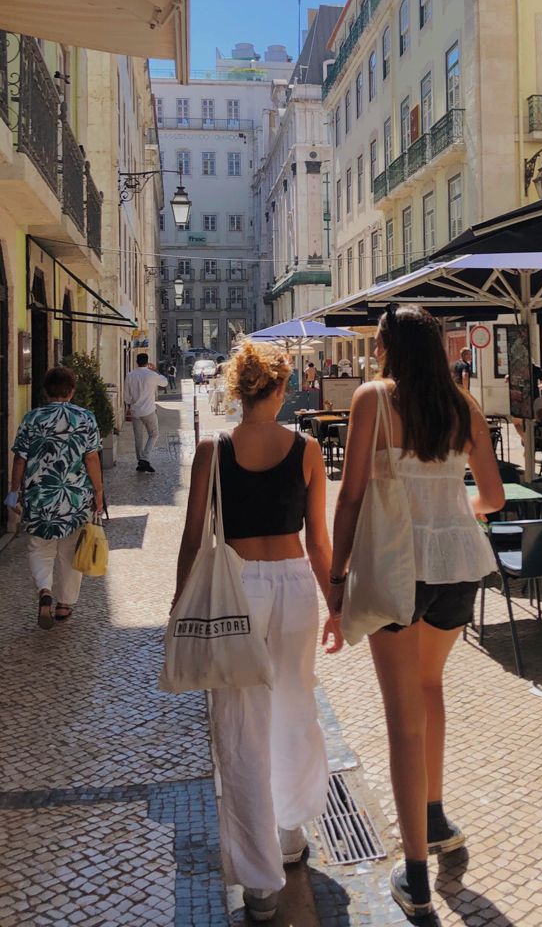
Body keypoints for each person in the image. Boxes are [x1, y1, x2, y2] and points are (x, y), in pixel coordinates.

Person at [328, 305, 504, 918]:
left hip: (399, 569)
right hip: (458, 564)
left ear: (387, 349)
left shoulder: (373, 400)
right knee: (431, 688)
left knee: (402, 716)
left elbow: (350, 496)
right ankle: (433, 816)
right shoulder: (464, 407)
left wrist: (336, 575)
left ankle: (415, 873)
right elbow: (493, 496)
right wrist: (454, 513)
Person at [171, 341, 342, 922]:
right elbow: (319, 542)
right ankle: (290, 832)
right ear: (279, 388)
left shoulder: (211, 450)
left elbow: (194, 540)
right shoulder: (309, 449)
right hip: (295, 586)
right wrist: (336, 605)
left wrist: (178, 609)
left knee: (240, 728)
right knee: (295, 709)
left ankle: (259, 885)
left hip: (238, 588)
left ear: (238, 390)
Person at [8, 366, 103, 629]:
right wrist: (99, 491)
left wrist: (14, 491)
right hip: (74, 497)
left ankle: (44, 590)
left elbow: (20, 458)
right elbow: (91, 457)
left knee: (39, 547)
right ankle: (63, 605)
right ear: (72, 391)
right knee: (71, 550)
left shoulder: (32, 418)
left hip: (39, 496)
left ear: (45, 391)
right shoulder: (85, 418)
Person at [123, 353, 168, 473]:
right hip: (148, 411)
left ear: (136, 362)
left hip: (135, 411)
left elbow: (126, 396)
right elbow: (165, 383)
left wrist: (129, 406)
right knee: (154, 434)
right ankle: (145, 458)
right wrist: (156, 370)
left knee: (138, 437)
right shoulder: (151, 375)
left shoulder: (130, 375)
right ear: (147, 362)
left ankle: (140, 461)